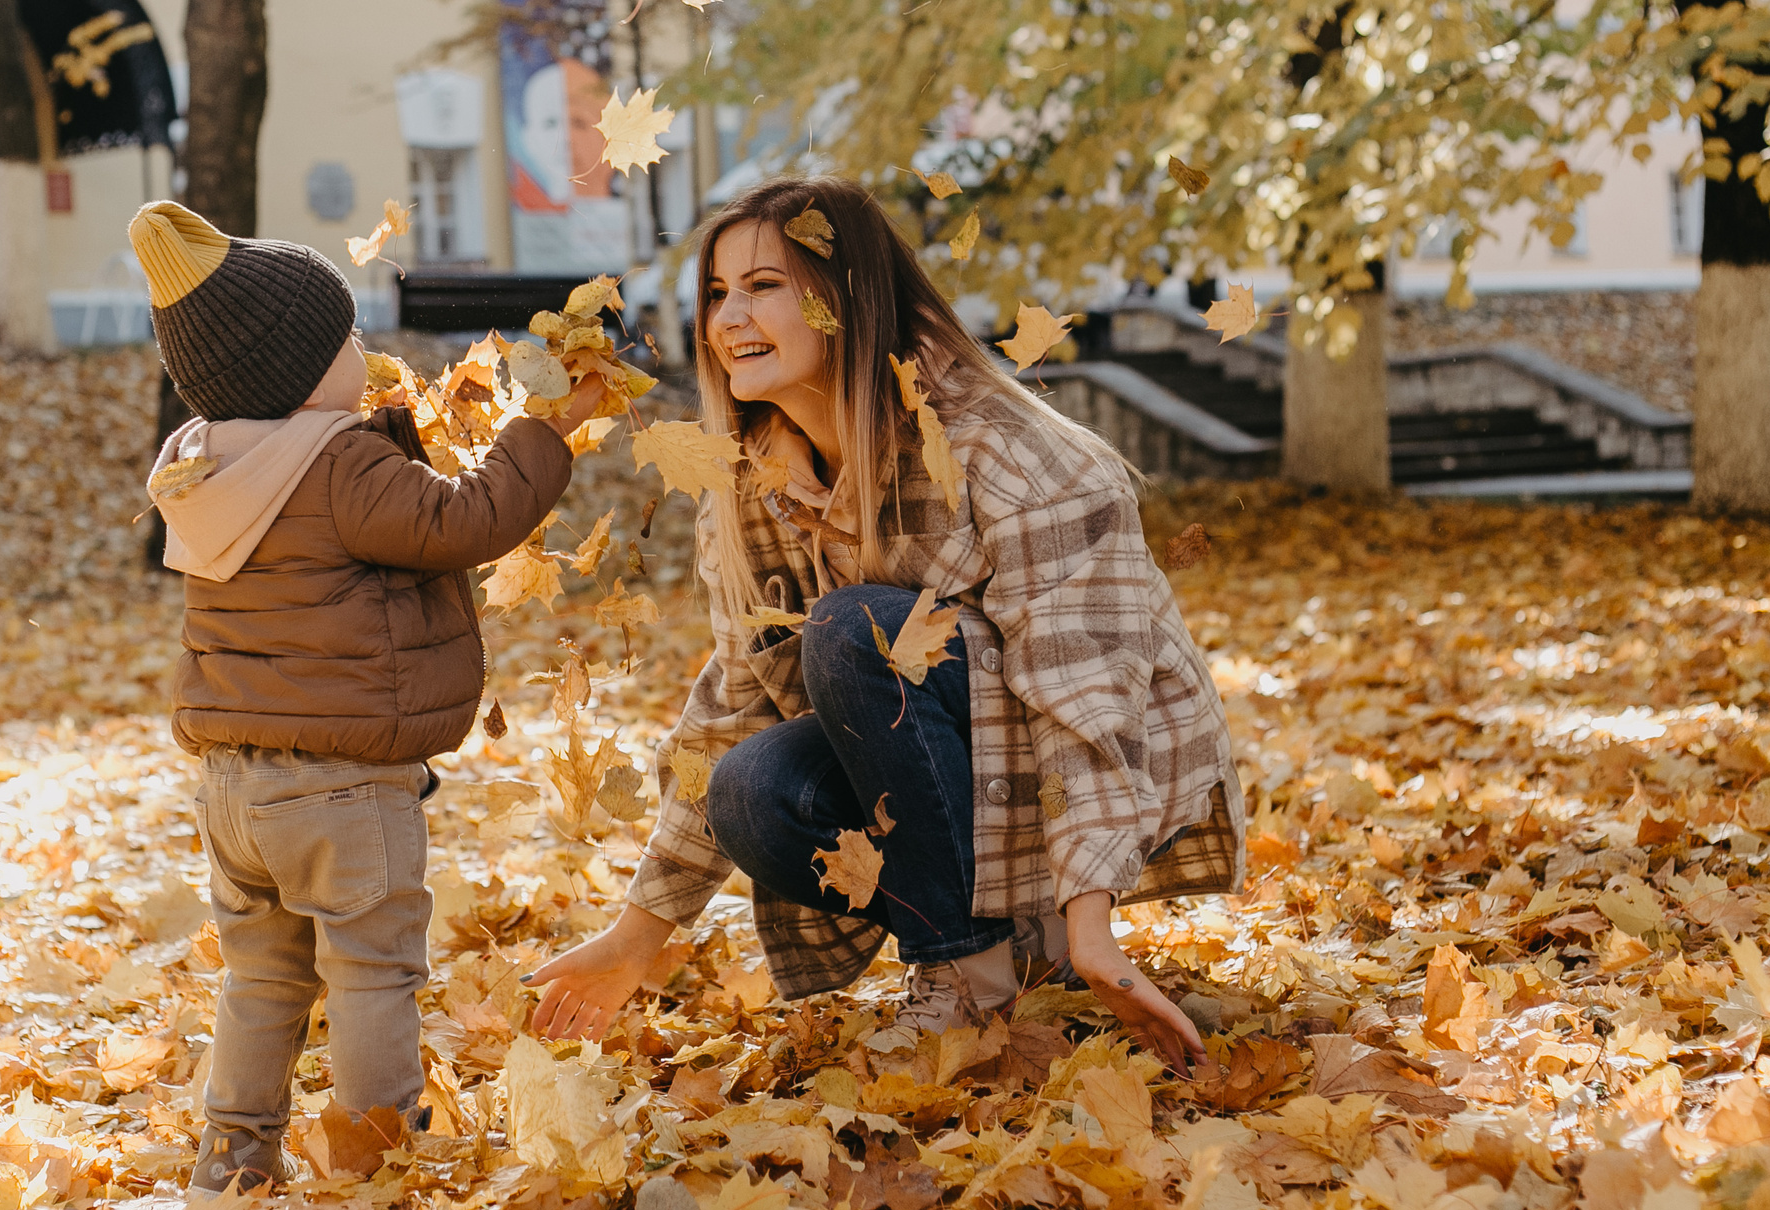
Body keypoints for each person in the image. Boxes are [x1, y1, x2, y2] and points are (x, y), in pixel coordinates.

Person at [523, 179, 1242, 1076]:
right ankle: (983, 957)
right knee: (749, 786)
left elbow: (1083, 697)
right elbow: (734, 702)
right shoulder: (750, 485)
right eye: (716, 293)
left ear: (848, 297)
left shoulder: (1010, 451)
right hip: (949, 774)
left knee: (854, 626)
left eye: (764, 286)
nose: (727, 318)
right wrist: (640, 933)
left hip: (1089, 755)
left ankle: (1001, 959)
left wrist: (1094, 925)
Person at [128, 202, 609, 1194]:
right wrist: (541, 429)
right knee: (371, 973)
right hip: (343, 789)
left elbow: (325, 519)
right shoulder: (343, 463)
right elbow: (462, 521)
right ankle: (378, 1161)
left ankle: (234, 1157)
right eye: (345, 337)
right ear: (302, 370)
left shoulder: (204, 464)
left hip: (232, 788)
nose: (362, 349)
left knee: (261, 977)